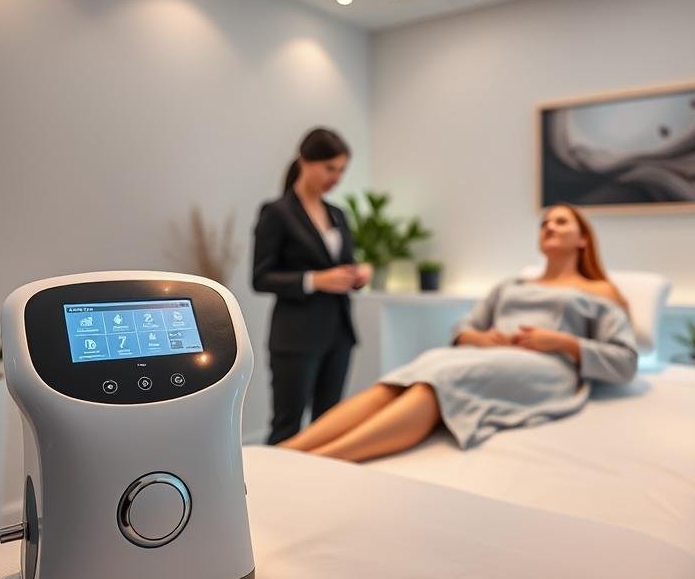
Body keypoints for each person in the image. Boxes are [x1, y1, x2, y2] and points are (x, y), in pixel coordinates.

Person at [280, 203, 637, 462]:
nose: (550, 226)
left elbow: (625, 361)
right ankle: (284, 452)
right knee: (414, 372)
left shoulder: (600, 291)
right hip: (488, 354)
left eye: (561, 221)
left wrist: (563, 342)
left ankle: (323, 459)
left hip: (547, 366)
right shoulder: (510, 285)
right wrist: (481, 338)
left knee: (445, 375)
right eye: (545, 222)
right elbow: (464, 328)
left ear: (583, 240)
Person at [252, 128, 371, 445]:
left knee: (329, 426)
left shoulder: (338, 214)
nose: (337, 177)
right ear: (305, 161)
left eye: (342, 170)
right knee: (287, 426)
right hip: (296, 338)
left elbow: (343, 264)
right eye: (330, 168)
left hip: (339, 334)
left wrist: (358, 273)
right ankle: (278, 490)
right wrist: (315, 280)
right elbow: (260, 277)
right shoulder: (277, 213)